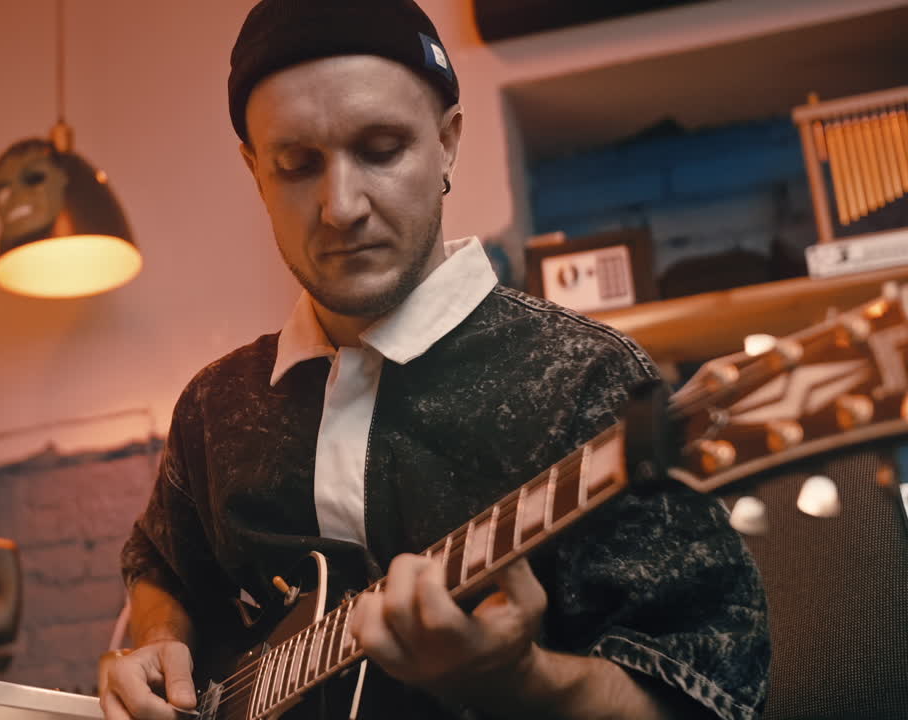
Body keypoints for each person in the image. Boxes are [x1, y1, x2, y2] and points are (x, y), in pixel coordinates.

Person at [100, 1, 770, 718]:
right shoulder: (215, 404)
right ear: (255, 170)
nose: (340, 207)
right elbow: (160, 563)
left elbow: (709, 697)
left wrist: (519, 681)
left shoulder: (589, 381)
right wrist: (153, 645)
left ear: (448, 142)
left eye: (382, 149)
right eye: (296, 164)